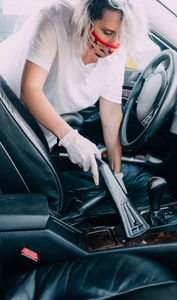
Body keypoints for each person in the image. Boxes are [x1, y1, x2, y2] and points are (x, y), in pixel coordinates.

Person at [0, 0, 153, 208]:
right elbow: (30, 91)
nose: (114, 44)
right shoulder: (52, 22)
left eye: (121, 34)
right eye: (107, 32)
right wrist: (71, 138)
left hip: (38, 132)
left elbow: (110, 114)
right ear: (87, 19)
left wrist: (117, 174)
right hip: (7, 127)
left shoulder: (116, 54)